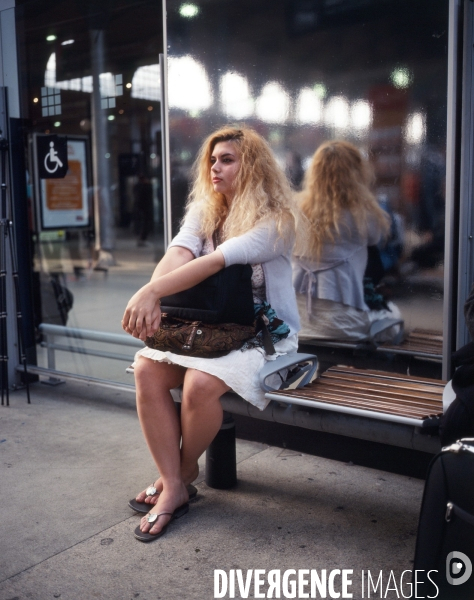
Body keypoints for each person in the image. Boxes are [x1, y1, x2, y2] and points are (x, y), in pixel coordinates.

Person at [122, 126, 300, 541]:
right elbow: (179, 254)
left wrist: (150, 293)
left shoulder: (277, 221)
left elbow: (219, 261)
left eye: (227, 160)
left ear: (252, 167)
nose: (215, 167)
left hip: (265, 334)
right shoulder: (207, 210)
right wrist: (154, 302)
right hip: (210, 329)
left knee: (200, 384)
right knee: (146, 367)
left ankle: (180, 476)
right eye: (213, 160)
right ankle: (176, 483)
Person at [293, 140, 402, 343]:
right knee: (393, 316)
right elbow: (376, 240)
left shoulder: (294, 210)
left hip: (296, 325)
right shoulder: (365, 214)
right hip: (344, 326)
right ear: (357, 174)